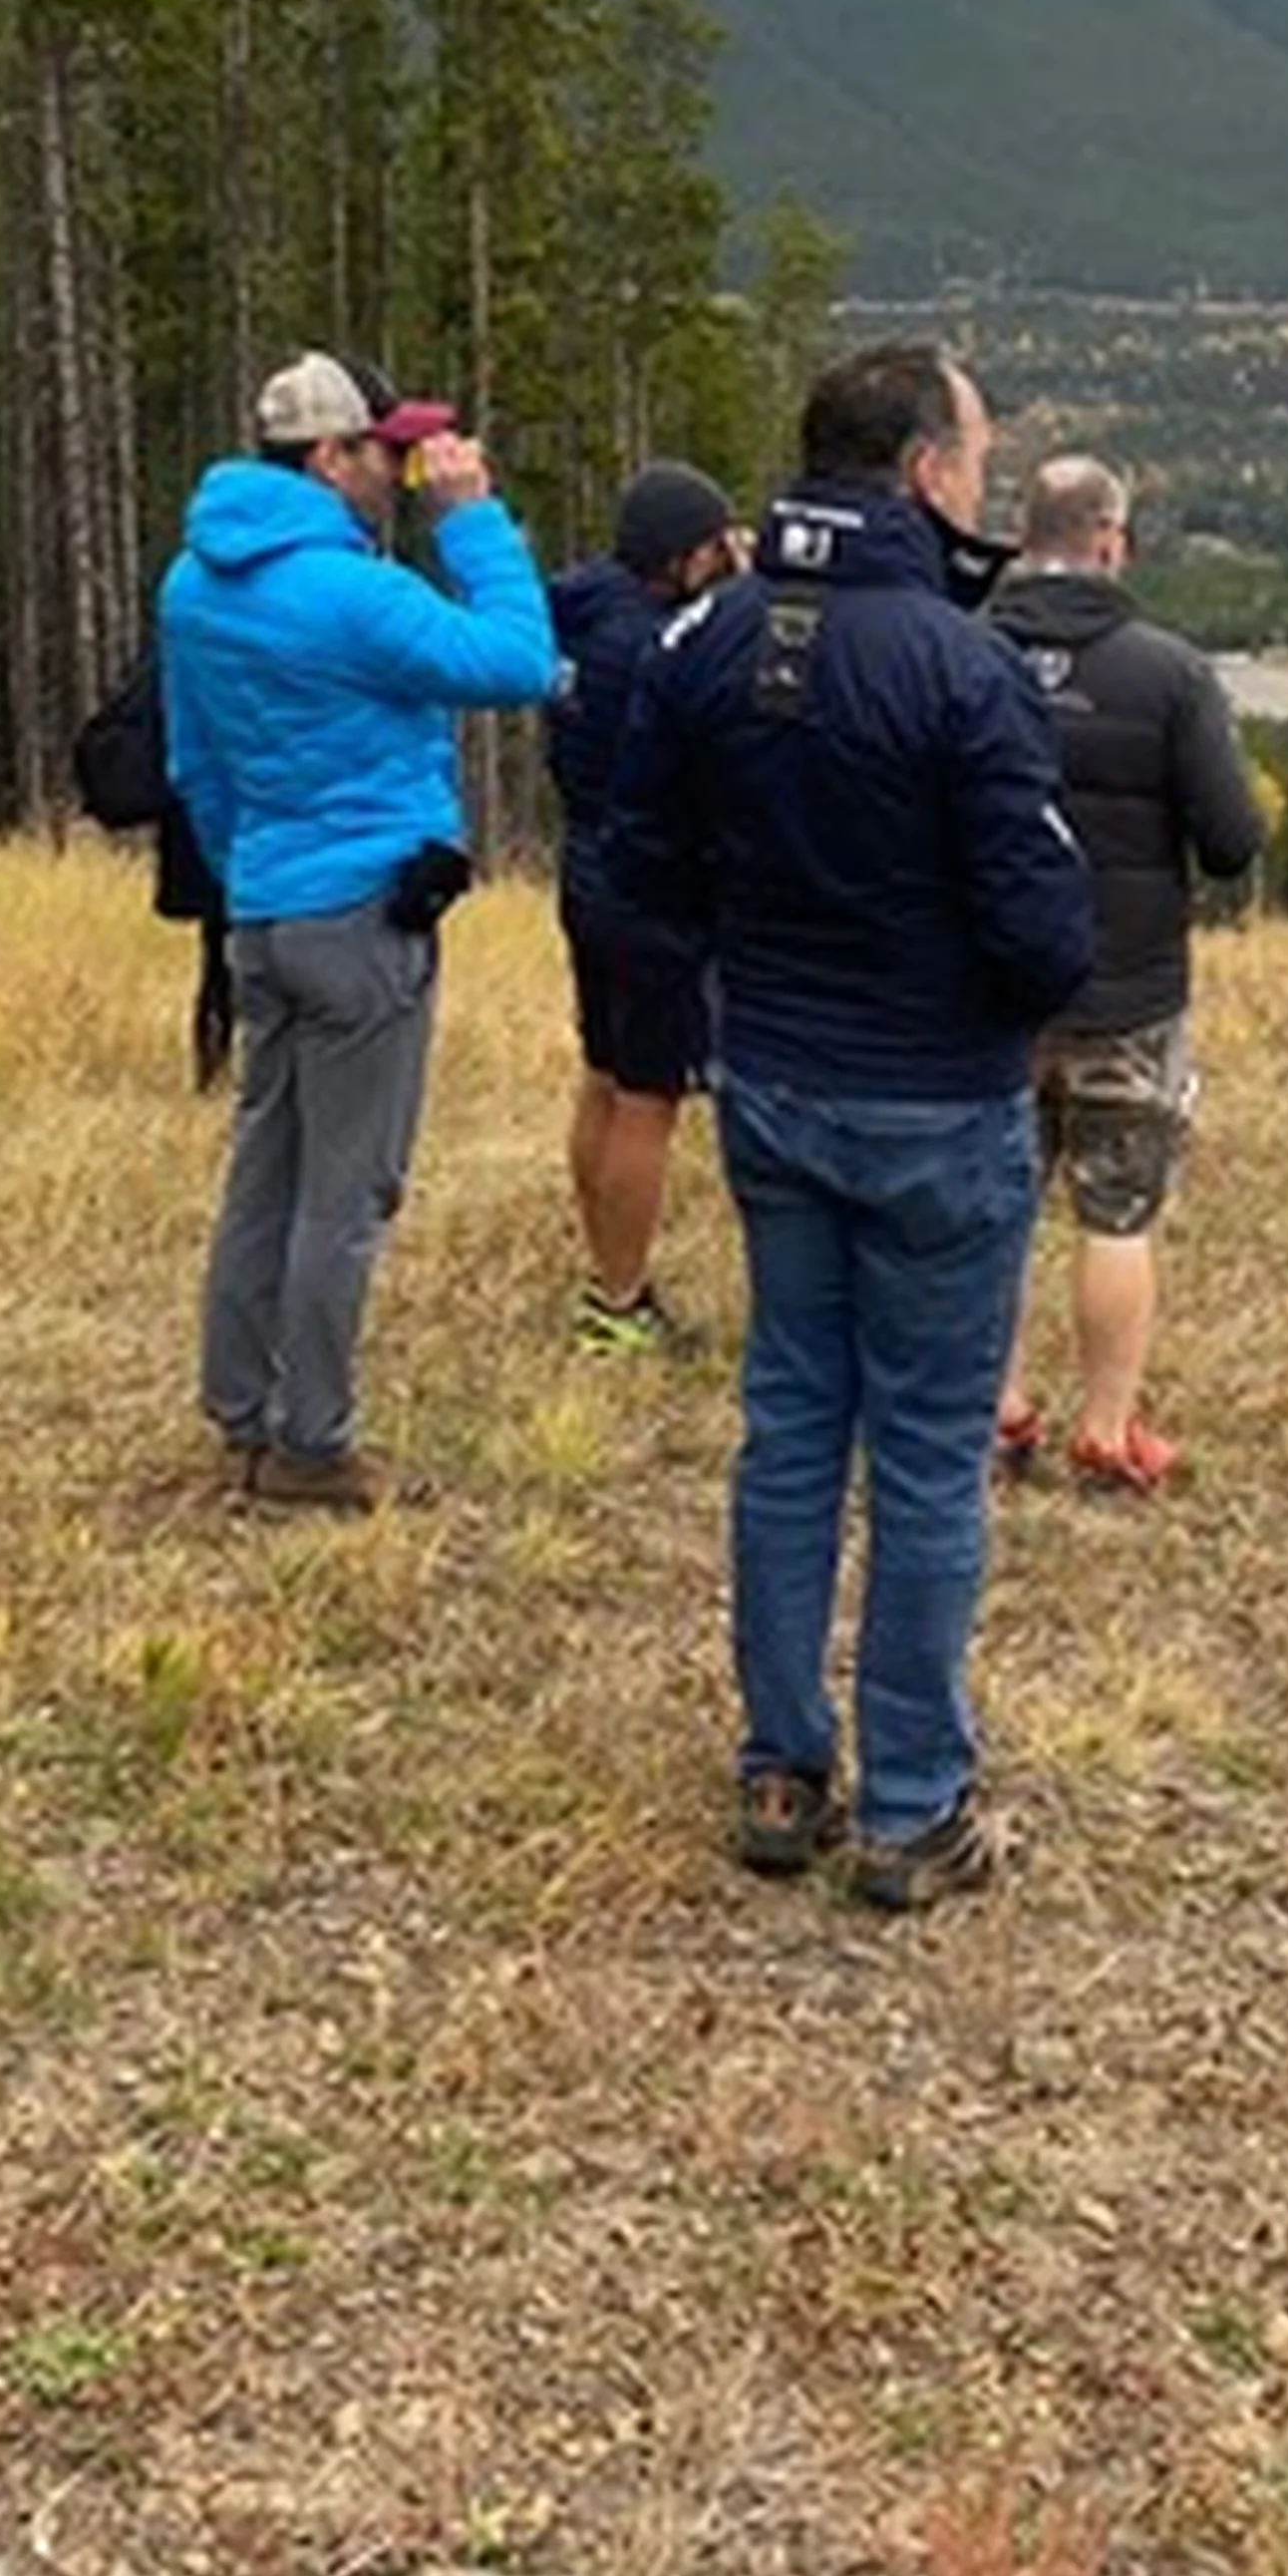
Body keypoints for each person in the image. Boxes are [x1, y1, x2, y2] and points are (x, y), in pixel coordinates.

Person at [605, 340, 1096, 1910]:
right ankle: (911, 1805)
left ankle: (780, 1763)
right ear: (926, 472)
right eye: (979, 456)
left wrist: (740, 971)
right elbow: (1043, 936)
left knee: (795, 1421)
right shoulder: (961, 666)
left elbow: (637, 860)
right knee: (932, 1455)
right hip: (938, 1098)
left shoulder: (704, 641)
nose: (983, 484)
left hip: (775, 1083)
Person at [160, 347, 556, 1508]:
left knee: (265, 1172)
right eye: (386, 451)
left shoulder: (192, 582)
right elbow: (520, 662)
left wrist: (252, 875)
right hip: (361, 920)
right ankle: (313, 1445)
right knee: (347, 1192)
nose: (403, 469)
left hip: (267, 908)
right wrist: (472, 522)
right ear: (330, 458)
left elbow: (196, 762)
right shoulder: (352, 593)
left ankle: (241, 1410)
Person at [989, 453, 1266, 1494]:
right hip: (1128, 990)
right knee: (1117, 1215)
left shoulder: (962, 652)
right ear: (1111, 541)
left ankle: (993, 1411)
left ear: (1024, 538)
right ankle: (1106, 1432)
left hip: (990, 990)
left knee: (994, 1212)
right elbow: (1232, 840)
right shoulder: (1170, 673)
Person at [545, 459, 745, 1353]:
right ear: (684, 556)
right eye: (715, 548)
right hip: (652, 888)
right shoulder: (653, 649)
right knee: (648, 1097)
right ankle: (620, 1302)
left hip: (588, 865)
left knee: (605, 1070)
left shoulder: (585, 618)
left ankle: (606, 1269)